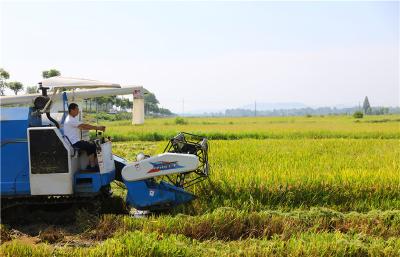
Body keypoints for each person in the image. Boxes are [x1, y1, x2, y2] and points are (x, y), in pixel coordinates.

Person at [64, 103, 105, 170]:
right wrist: (97, 128)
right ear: (72, 110)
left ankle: (92, 165)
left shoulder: (72, 119)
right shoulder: (70, 120)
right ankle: (92, 166)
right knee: (92, 145)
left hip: (75, 141)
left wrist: (95, 128)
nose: (78, 111)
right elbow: (84, 126)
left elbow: (83, 127)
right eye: (77, 109)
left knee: (93, 144)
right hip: (73, 143)